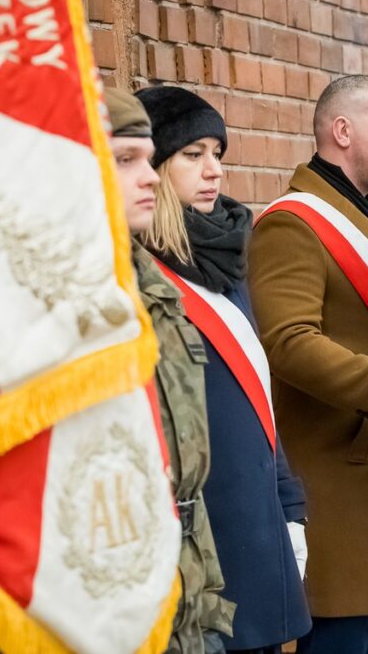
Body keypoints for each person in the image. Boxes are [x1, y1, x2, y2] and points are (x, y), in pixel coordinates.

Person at [248, 75, 368, 654]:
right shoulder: (295, 222)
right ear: (341, 130)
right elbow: (289, 343)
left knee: (365, 635)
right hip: (342, 475)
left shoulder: (359, 211)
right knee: (341, 640)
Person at [136, 86, 311, 654]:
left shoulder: (227, 264)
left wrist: (289, 503)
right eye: (192, 154)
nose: (213, 170)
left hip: (253, 513)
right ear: (154, 165)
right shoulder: (135, 271)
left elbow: (257, 395)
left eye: (218, 153)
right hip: (193, 528)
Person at [106, 87, 234, 653]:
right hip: (121, 571)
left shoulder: (149, 279)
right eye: (125, 160)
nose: (151, 175)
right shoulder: (82, 286)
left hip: (190, 566)